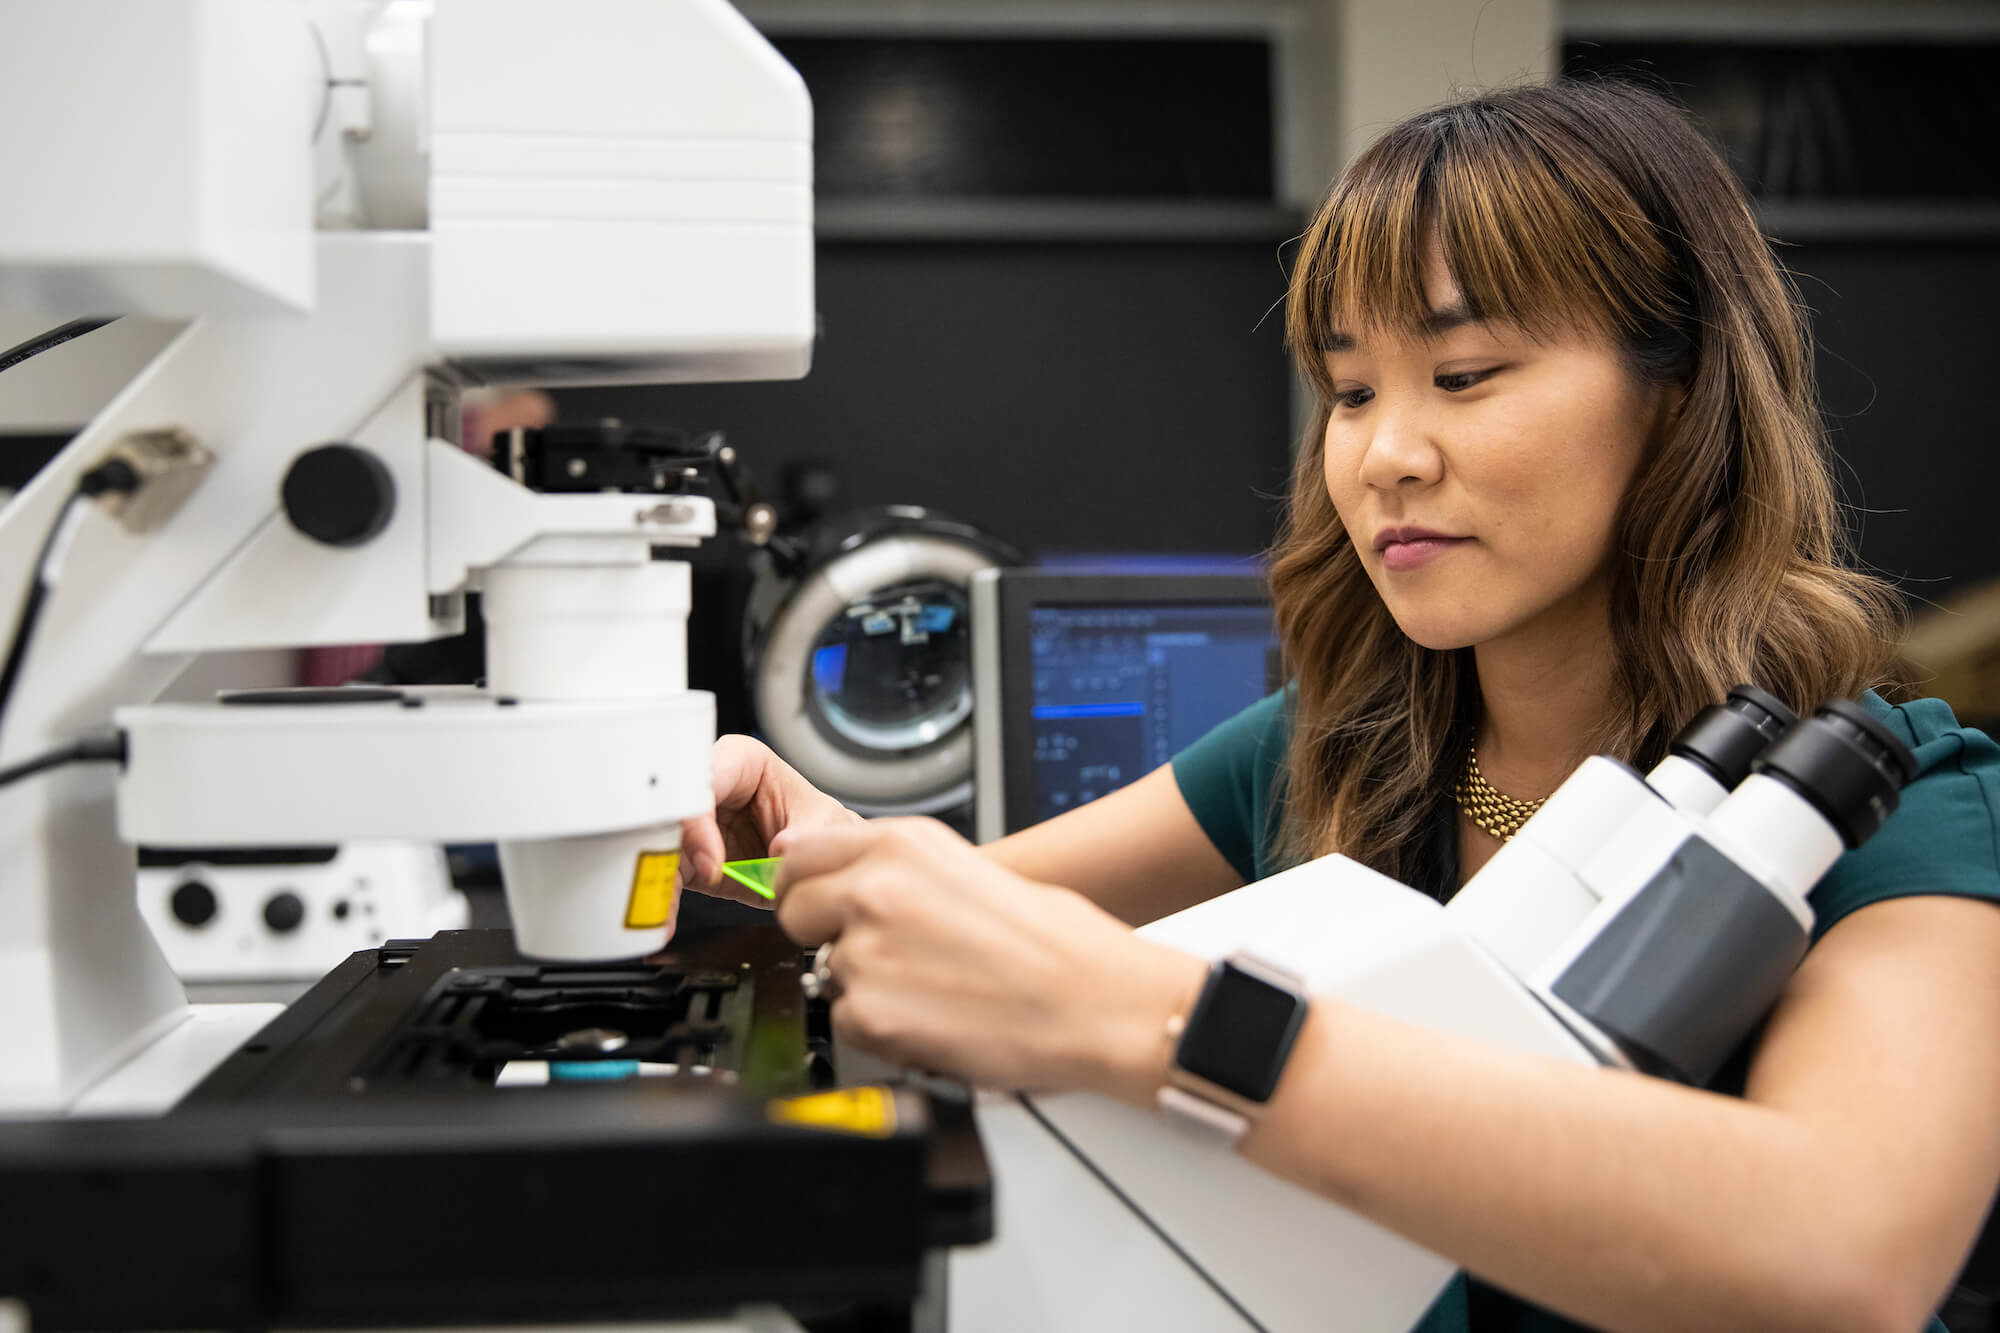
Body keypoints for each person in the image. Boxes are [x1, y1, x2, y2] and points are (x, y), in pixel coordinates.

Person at [678, 80, 2000, 1332]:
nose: (1385, 454)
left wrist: (1152, 1020)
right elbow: (957, 917)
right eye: (1352, 389)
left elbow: (1848, 1250)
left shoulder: (1907, 814)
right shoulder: (1336, 745)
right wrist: (775, 842)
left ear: (1680, 395)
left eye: (1466, 373)